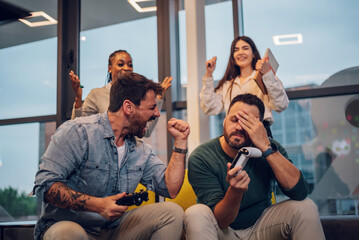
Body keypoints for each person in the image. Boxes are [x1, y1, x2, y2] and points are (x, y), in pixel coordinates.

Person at [33, 72, 190, 240]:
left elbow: (170, 188)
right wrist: (98, 205)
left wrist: (180, 142)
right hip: (70, 226)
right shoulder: (79, 132)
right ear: (128, 107)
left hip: (114, 229)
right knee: (69, 233)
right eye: (152, 107)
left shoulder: (140, 149)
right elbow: (45, 185)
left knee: (171, 213)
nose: (157, 113)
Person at [184, 93, 325, 240]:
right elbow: (222, 221)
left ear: (259, 126)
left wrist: (266, 147)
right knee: (195, 213)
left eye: (247, 123)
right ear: (225, 120)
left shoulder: (270, 147)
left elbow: (300, 192)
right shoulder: (201, 157)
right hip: (223, 232)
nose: (239, 127)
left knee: (306, 207)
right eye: (234, 120)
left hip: (262, 226)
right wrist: (235, 192)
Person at [70, 49, 172, 137]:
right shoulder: (96, 94)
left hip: (130, 155)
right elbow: (79, 129)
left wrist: (158, 98)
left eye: (130, 64)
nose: (127, 68)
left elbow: (147, 131)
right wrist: (79, 98)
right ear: (110, 68)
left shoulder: (137, 94)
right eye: (120, 64)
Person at [200, 36, 289, 137]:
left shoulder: (266, 77)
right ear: (233, 56)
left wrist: (267, 74)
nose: (240, 52)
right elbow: (209, 108)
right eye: (236, 50)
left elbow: (281, 105)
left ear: (254, 54)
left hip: (259, 131)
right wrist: (208, 75)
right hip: (234, 132)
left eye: (245, 48)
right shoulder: (228, 85)